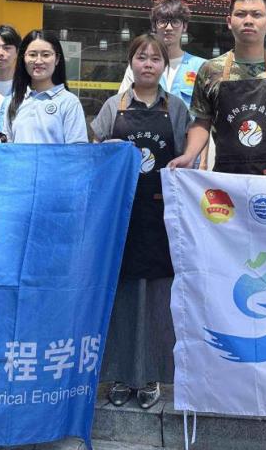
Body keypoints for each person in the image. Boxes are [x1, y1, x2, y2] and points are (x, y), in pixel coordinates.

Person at [92, 34, 191, 410]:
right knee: (120, 295)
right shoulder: (112, 106)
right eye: (141, 57)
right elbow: (95, 155)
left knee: (158, 298)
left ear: (164, 65)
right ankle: (119, 376)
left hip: (161, 216)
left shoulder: (176, 108)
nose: (148, 64)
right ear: (130, 62)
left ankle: (152, 376)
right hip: (121, 215)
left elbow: (188, 161)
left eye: (155, 59)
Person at [168, 0, 266, 176]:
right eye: (241, 14)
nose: (248, 20)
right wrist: (189, 156)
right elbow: (202, 122)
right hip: (227, 180)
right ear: (229, 21)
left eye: (256, 14)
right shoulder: (210, 70)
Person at [0, 29, 88, 145]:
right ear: (23, 58)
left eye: (46, 55)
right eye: (32, 55)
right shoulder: (15, 100)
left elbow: (78, 149)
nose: (38, 61)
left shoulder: (69, 102)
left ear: (57, 59)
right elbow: (8, 144)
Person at [118, 0, 206, 112]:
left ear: (184, 27)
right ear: (154, 26)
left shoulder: (202, 67)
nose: (168, 28)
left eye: (175, 22)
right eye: (163, 22)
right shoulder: (138, 66)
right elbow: (122, 107)